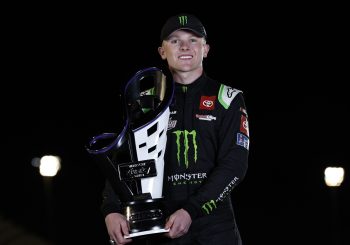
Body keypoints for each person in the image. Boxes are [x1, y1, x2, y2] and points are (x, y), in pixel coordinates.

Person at [101, 13, 250, 245]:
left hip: (215, 228)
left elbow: (235, 164)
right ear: (162, 51)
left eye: (193, 40)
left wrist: (191, 210)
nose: (184, 46)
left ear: (206, 49)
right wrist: (111, 209)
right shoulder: (146, 102)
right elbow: (125, 161)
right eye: (174, 40)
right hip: (162, 227)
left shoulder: (227, 98)